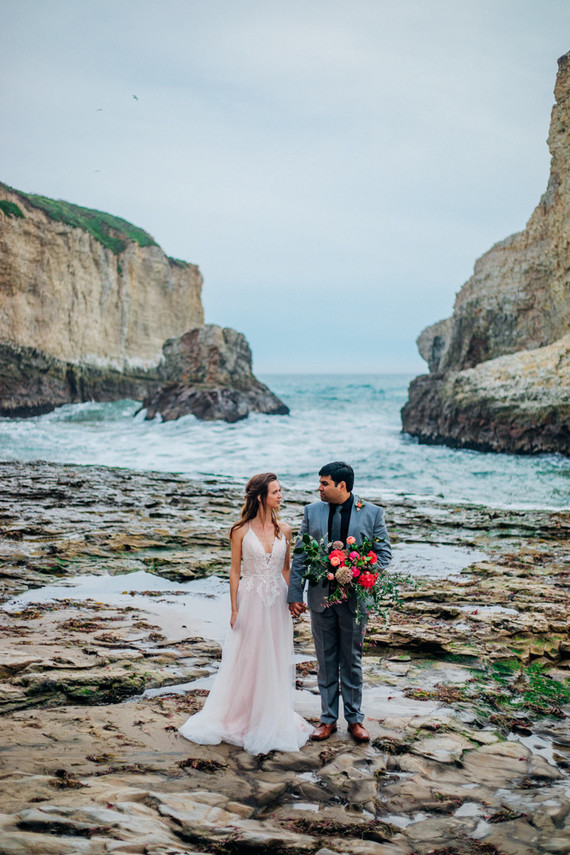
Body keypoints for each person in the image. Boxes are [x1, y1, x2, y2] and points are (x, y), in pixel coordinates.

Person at [179, 473, 311, 755]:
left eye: (280, 491)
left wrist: (294, 598)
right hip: (250, 600)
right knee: (249, 656)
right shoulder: (239, 530)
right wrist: (234, 607)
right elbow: (235, 571)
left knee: (273, 655)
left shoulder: (284, 530)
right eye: (275, 492)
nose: (280, 496)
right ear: (261, 497)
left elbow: (286, 569)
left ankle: (270, 714)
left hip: (276, 599)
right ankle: (242, 716)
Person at [288, 461, 391, 743]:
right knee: (325, 660)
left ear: (341, 486)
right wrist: (295, 594)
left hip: (355, 601)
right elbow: (300, 556)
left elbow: (384, 554)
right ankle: (327, 720)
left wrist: (360, 571)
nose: (319, 488)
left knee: (352, 660)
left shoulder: (372, 513)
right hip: (320, 598)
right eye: (320, 483)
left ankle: (355, 721)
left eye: (324, 483)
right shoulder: (311, 512)